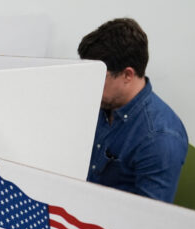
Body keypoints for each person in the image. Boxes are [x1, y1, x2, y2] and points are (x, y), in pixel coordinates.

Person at [78, 18, 188, 203]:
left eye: (98, 77)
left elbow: (149, 219)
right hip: (86, 202)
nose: (90, 85)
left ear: (127, 75)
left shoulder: (158, 139)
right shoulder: (105, 103)